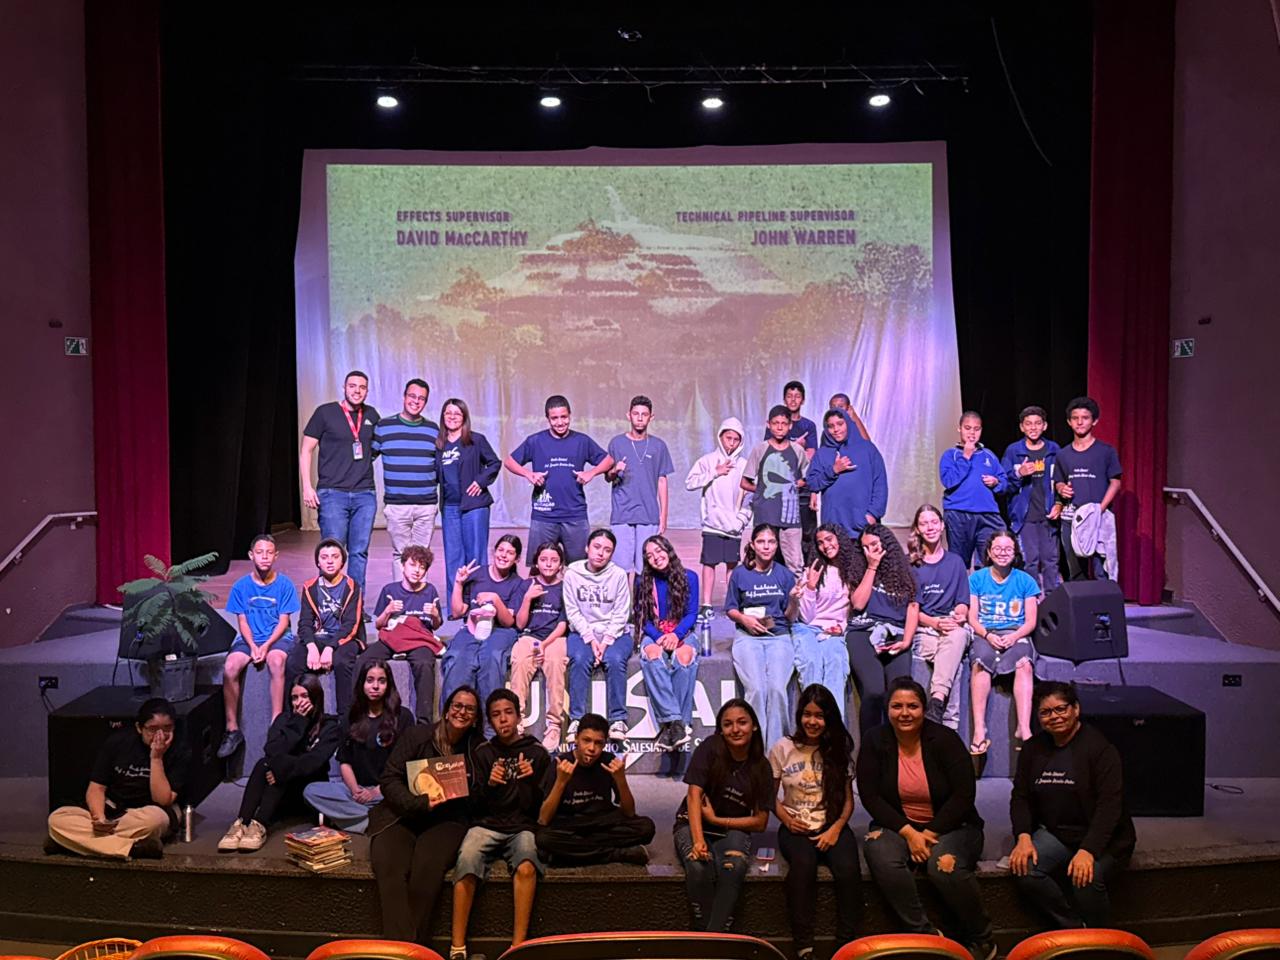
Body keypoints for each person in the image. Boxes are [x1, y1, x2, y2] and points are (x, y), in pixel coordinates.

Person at [859, 677, 997, 960]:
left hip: (953, 826)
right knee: (878, 850)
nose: (905, 713)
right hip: (900, 826)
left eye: (912, 706)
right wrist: (910, 834)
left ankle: (982, 938)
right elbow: (870, 796)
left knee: (941, 865)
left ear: (924, 709)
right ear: (887, 709)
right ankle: (925, 936)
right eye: (897, 706)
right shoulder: (874, 740)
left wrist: (929, 833)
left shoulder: (945, 740)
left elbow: (964, 795)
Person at [1010, 681, 1136, 929]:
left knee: (1086, 876)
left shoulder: (1100, 749)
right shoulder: (1033, 749)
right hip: (1058, 833)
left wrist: (1088, 850)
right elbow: (1020, 797)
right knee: (1025, 868)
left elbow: (1110, 806)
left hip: (1105, 839)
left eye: (1061, 709)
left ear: (1076, 709)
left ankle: (1099, 937)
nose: (1054, 717)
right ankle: (1074, 929)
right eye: (1045, 712)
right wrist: (1023, 836)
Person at [370, 685, 484, 946]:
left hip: (447, 820)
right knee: (389, 866)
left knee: (426, 869)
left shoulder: (477, 748)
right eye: (457, 706)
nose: (462, 712)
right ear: (447, 710)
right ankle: (404, 948)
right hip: (402, 814)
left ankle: (412, 948)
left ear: (476, 717)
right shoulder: (418, 735)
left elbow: (479, 799)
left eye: (469, 709)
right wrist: (418, 803)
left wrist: (469, 783)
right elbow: (389, 779)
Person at [449, 689, 553, 959]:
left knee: (527, 864)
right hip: (487, 824)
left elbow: (544, 811)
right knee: (467, 859)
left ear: (519, 716)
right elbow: (472, 805)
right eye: (496, 715)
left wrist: (531, 781)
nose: (503, 719)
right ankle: (457, 947)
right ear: (489, 721)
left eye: (508, 713)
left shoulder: (537, 752)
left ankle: (518, 947)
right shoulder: (483, 752)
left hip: (522, 826)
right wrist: (489, 784)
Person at [770, 685, 861, 960]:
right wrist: (787, 819)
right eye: (807, 714)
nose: (812, 721)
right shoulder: (783, 748)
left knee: (848, 872)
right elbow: (769, 797)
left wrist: (836, 829)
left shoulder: (838, 749)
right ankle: (804, 946)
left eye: (819, 715)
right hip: (795, 827)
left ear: (828, 718)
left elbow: (848, 802)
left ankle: (846, 945)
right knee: (803, 868)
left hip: (832, 824)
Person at [673, 698, 773, 932]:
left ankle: (712, 937)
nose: (735, 729)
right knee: (699, 867)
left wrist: (716, 820)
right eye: (728, 724)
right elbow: (694, 796)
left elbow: (760, 822)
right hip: (692, 824)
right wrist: (698, 841)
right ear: (720, 729)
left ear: (754, 726)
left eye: (742, 722)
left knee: (733, 866)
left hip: (732, 828)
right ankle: (712, 935)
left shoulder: (761, 766)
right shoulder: (710, 748)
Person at [47, 698, 184, 860]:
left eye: (167, 728)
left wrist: (156, 758)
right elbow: (96, 788)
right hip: (113, 810)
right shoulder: (118, 742)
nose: (160, 735)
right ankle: (132, 848)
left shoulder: (180, 749)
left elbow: (163, 800)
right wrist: (100, 819)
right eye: (153, 729)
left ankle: (73, 843)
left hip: (147, 813)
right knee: (57, 818)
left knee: (153, 821)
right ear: (139, 728)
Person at [218, 674, 340, 853]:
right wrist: (298, 722)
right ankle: (243, 822)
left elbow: (313, 762)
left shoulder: (330, 726)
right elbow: (272, 750)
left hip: (308, 788)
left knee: (278, 768)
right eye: (294, 698)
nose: (299, 702)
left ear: (316, 697)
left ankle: (260, 825)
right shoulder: (284, 720)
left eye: (304, 696)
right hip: (282, 790)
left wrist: (283, 769)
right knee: (263, 764)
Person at [303, 659, 414, 834]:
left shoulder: (403, 716)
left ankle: (352, 819)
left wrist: (378, 791)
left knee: (408, 794)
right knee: (312, 791)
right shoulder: (350, 717)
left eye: (381, 681)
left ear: (389, 685)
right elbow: (345, 761)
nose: (375, 686)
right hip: (356, 790)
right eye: (370, 680)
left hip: (389, 790)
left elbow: (405, 765)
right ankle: (377, 820)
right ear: (362, 684)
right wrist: (355, 790)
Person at [300, 370, 380, 602]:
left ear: (367, 391)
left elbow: (374, 450)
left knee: (359, 553)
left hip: (365, 494)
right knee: (332, 552)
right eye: (352, 386)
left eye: (362, 387)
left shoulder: (372, 415)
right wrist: (307, 487)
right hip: (332, 493)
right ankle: (329, 605)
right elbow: (306, 450)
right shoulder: (325, 413)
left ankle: (354, 606)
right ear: (344, 388)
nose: (357, 391)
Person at [219, 534, 300, 758]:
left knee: (276, 660)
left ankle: (276, 724)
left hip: (278, 637)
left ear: (276, 556)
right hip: (249, 639)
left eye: (269, 553)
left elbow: (284, 622)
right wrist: (253, 646)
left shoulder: (285, 584)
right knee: (230, 666)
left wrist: (266, 646)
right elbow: (242, 621)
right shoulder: (241, 586)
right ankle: (232, 728)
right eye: (260, 552)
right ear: (251, 555)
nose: (264, 557)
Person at [504, 394, 612, 564]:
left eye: (564, 417)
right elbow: (509, 462)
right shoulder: (536, 441)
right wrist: (528, 474)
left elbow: (609, 460)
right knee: (539, 566)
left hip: (575, 514)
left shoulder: (581, 441)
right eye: (554, 418)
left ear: (570, 415)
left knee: (579, 567)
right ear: (547, 418)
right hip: (543, 515)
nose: (560, 422)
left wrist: (591, 473)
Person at [536, 713, 656, 864]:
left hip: (601, 822)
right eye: (586, 740)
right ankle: (616, 854)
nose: (592, 748)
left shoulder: (608, 761)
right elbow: (544, 819)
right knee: (544, 838)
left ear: (604, 744)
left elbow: (629, 812)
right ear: (576, 739)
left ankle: (567, 855)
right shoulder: (560, 763)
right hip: (570, 823)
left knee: (646, 827)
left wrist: (621, 780)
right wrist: (561, 782)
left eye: (598, 743)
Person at [725, 523, 797, 750]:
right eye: (761, 542)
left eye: (771, 542)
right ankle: (754, 751)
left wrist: (794, 600)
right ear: (753, 545)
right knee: (756, 690)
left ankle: (775, 751)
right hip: (748, 638)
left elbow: (790, 616)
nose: (766, 546)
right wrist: (744, 619)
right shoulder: (740, 574)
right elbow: (730, 608)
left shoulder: (785, 575)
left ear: (777, 545)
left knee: (776, 689)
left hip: (778, 637)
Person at [967, 530, 1040, 754]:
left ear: (1015, 552)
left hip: (1015, 633)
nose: (1002, 553)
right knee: (980, 663)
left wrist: (1014, 637)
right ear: (989, 552)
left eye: (1008, 549)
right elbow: (972, 617)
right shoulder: (976, 579)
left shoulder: (1026, 580)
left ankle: (1023, 728)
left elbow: (1031, 621)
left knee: (1025, 664)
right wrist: (987, 635)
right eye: (997, 548)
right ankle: (979, 730)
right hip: (985, 632)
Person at [441, 534, 524, 718]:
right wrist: (458, 583)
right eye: (501, 550)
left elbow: (509, 622)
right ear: (494, 552)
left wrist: (495, 599)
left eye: (510, 553)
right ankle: (453, 719)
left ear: (517, 559)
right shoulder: (477, 575)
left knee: (491, 658)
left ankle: (489, 725)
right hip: (472, 628)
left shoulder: (518, 583)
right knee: (459, 659)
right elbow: (458, 612)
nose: (504, 555)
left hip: (500, 631)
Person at [847, 523, 920, 734]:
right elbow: (858, 603)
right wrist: (872, 567)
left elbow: (913, 608)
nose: (869, 551)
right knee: (874, 691)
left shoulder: (906, 571)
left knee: (900, 693)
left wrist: (906, 641)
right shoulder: (859, 568)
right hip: (863, 632)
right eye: (864, 547)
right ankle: (870, 747)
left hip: (896, 634)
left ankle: (900, 745)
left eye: (873, 545)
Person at [564, 529, 633, 742]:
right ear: (587, 548)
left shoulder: (618, 575)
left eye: (607, 550)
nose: (601, 553)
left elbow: (621, 613)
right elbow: (572, 611)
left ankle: (618, 720)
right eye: (597, 547)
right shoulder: (572, 573)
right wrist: (591, 639)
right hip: (582, 632)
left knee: (615, 659)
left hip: (615, 633)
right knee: (580, 659)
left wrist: (606, 641)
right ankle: (577, 719)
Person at [362, 543, 444, 722]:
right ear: (402, 566)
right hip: (393, 637)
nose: (417, 570)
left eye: (422, 567)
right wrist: (388, 611)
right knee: (363, 660)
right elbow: (378, 625)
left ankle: (423, 723)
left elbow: (436, 625)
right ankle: (359, 714)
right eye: (413, 565)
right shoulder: (390, 590)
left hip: (419, 640)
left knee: (424, 663)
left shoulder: (430, 590)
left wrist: (435, 615)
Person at [634, 535, 701, 752]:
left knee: (684, 657)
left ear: (668, 550)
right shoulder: (642, 581)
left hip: (682, 631)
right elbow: (642, 618)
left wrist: (676, 635)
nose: (656, 557)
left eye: (659, 551)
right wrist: (658, 637)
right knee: (653, 655)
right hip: (655, 633)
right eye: (649, 555)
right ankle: (678, 723)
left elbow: (692, 614)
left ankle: (671, 727)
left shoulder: (690, 577)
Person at [907, 505, 971, 729]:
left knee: (958, 636)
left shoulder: (956, 562)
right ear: (917, 529)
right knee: (954, 662)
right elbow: (911, 609)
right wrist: (934, 622)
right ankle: (948, 723)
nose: (930, 527)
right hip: (924, 628)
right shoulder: (912, 563)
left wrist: (959, 615)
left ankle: (935, 704)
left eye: (934, 522)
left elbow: (962, 602)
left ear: (942, 526)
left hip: (951, 626)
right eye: (924, 523)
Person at [287, 538, 365, 718]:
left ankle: (345, 718)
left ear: (342, 562)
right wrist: (311, 647)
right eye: (324, 557)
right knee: (293, 663)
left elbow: (351, 625)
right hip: (319, 637)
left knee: (342, 662)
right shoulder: (310, 587)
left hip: (346, 639)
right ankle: (294, 715)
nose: (330, 561)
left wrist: (330, 648)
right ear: (318, 562)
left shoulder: (352, 587)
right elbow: (304, 623)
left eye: (335, 557)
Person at [372, 379, 441, 583]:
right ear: (404, 397)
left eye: (421, 398)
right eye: (412, 396)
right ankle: (400, 598)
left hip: (426, 505)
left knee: (422, 555)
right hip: (397, 505)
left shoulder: (433, 429)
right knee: (400, 555)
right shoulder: (384, 427)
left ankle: (420, 598)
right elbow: (367, 458)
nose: (416, 401)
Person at [685, 416, 753, 619]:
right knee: (709, 563)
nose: (731, 443)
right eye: (728, 438)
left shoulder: (744, 465)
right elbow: (690, 483)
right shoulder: (707, 461)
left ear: (741, 441)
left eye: (736, 439)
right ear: (720, 437)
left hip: (734, 525)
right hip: (712, 524)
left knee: (732, 564)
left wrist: (742, 519)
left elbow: (750, 495)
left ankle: (731, 603)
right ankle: (706, 604)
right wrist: (714, 472)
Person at [1053, 397, 1122, 581]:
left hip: (1099, 516)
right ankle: (1081, 600)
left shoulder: (1106, 451)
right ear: (1069, 422)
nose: (1080, 422)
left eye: (1085, 418)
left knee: (1102, 570)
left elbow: (1115, 482)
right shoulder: (1063, 454)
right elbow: (1058, 481)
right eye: (1075, 418)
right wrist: (1061, 488)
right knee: (1076, 571)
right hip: (1072, 517)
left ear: (1094, 421)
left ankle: (1104, 600)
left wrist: (1100, 509)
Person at [606, 395, 675, 580]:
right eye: (636, 414)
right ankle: (622, 601)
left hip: (648, 514)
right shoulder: (617, 443)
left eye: (644, 414)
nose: (639, 418)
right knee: (621, 569)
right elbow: (607, 476)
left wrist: (663, 516)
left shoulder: (658, 446)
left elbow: (662, 480)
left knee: (645, 569)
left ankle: (641, 600)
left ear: (651, 417)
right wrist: (615, 470)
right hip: (622, 514)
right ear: (628, 415)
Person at [438, 398, 502, 594]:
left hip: (474, 506)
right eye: (448, 413)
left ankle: (476, 600)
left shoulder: (476, 440)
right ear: (443, 416)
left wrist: (480, 481)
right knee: (453, 558)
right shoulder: (439, 445)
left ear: (464, 417)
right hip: (450, 508)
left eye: (457, 413)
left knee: (475, 557)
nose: (452, 417)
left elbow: (494, 463)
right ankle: (455, 605)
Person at [511, 541, 569, 752]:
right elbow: (520, 624)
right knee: (519, 661)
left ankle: (554, 725)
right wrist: (527, 599)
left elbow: (562, 625)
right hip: (529, 636)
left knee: (555, 663)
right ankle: (516, 721)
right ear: (536, 562)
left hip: (554, 638)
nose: (548, 564)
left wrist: (544, 645)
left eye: (554, 560)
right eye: (544, 560)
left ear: (560, 564)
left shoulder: (565, 587)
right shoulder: (526, 585)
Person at [1002, 406, 1063, 595]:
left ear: (1044, 426)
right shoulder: (1014, 451)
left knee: (1051, 561)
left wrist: (1059, 503)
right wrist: (1018, 473)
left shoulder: (1054, 450)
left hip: (1048, 516)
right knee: (1030, 561)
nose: (1033, 427)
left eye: (1037, 423)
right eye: (1028, 424)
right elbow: (1003, 486)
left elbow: (1062, 480)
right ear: (1022, 427)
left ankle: (1053, 602)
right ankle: (1032, 599)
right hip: (1024, 518)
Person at [742, 405, 809, 576]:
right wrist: (763, 489)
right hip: (766, 513)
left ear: (790, 425)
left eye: (784, 423)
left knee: (795, 563)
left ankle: (795, 594)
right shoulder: (760, 449)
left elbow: (807, 477)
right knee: (761, 559)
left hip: (790, 516)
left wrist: (797, 484)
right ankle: (761, 589)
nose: (779, 427)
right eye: (775, 423)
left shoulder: (797, 450)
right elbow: (745, 482)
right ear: (768, 424)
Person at [792, 523, 856, 697]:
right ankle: (812, 711)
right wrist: (810, 588)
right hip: (807, 628)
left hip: (834, 631)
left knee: (836, 665)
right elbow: (806, 618)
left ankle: (833, 715)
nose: (826, 546)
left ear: (839, 539)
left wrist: (842, 627)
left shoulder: (852, 571)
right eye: (820, 543)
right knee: (811, 663)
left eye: (829, 539)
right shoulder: (813, 570)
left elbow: (855, 609)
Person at [939, 411, 1008, 570]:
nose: (972, 433)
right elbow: (948, 481)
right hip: (959, 513)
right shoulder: (951, 455)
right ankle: (961, 587)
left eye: (976, 429)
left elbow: (1004, 483)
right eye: (967, 428)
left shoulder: (989, 455)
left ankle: (984, 586)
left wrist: (996, 482)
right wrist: (966, 457)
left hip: (987, 514)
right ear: (959, 429)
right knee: (959, 561)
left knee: (988, 560)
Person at [805, 408, 888, 539]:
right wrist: (834, 470)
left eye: (840, 424)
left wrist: (872, 515)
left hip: (863, 528)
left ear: (848, 423)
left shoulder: (868, 449)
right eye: (831, 426)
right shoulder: (822, 453)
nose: (836, 429)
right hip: (833, 530)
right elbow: (812, 483)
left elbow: (880, 485)